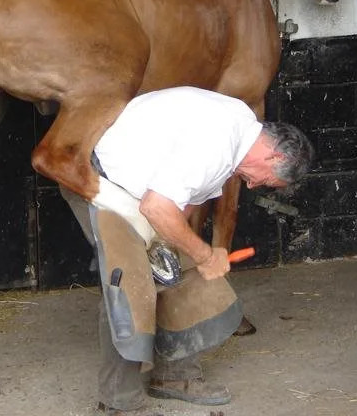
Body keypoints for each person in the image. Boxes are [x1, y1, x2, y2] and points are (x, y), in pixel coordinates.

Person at [61, 86, 313, 416]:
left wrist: (177, 249)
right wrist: (206, 255)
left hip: (144, 195)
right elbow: (157, 207)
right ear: (274, 157)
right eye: (266, 180)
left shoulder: (239, 133)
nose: (253, 185)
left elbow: (184, 200)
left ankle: (175, 376)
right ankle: (118, 402)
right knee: (129, 285)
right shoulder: (217, 144)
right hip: (100, 181)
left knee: (180, 271)